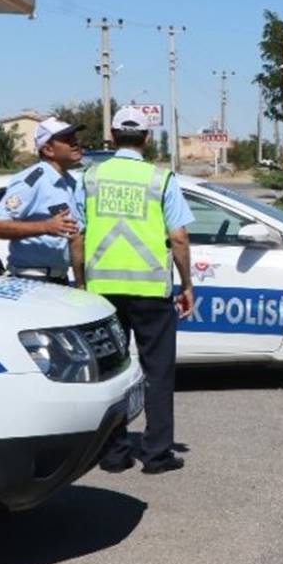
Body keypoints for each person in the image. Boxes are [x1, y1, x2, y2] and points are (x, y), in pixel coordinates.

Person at [72, 105, 196, 475]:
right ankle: (157, 455)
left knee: (112, 371)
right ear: (146, 137)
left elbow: (76, 236)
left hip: (101, 293)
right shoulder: (160, 179)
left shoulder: (90, 177)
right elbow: (179, 236)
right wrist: (187, 284)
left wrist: (80, 283)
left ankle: (113, 454)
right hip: (150, 292)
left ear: (111, 135)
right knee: (157, 372)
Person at [0, 117, 86, 284]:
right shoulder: (32, 181)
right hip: (31, 279)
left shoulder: (70, 183)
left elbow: (74, 237)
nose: (75, 144)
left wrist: (81, 285)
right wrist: (45, 226)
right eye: (67, 140)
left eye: (75, 138)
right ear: (48, 149)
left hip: (59, 279)